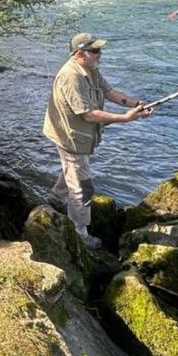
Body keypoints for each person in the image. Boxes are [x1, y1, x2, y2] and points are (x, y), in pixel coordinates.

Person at [42, 33, 152, 250]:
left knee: (73, 170)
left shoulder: (91, 70)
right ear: (80, 54)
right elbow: (89, 115)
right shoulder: (71, 76)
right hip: (70, 136)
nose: (100, 55)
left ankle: (55, 198)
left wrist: (135, 103)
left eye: (99, 50)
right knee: (83, 188)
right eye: (95, 51)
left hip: (79, 134)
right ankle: (80, 235)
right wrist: (125, 118)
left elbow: (109, 92)